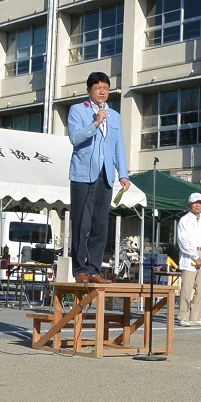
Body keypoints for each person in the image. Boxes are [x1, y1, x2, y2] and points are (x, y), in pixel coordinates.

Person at [66, 72, 130, 284]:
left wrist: (123, 174)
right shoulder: (78, 110)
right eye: (98, 88)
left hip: (106, 173)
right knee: (82, 223)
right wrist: (95, 123)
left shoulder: (115, 116)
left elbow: (118, 145)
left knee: (100, 224)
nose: (102, 92)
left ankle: (94, 269)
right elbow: (74, 139)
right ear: (89, 91)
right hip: (83, 174)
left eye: (106, 88)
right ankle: (80, 270)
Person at [175, 193, 201, 327]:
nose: (198, 205)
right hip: (190, 255)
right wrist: (195, 256)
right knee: (187, 288)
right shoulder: (184, 220)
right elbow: (182, 241)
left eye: (200, 202)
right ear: (190, 204)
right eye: (195, 202)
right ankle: (183, 316)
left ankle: (196, 316)